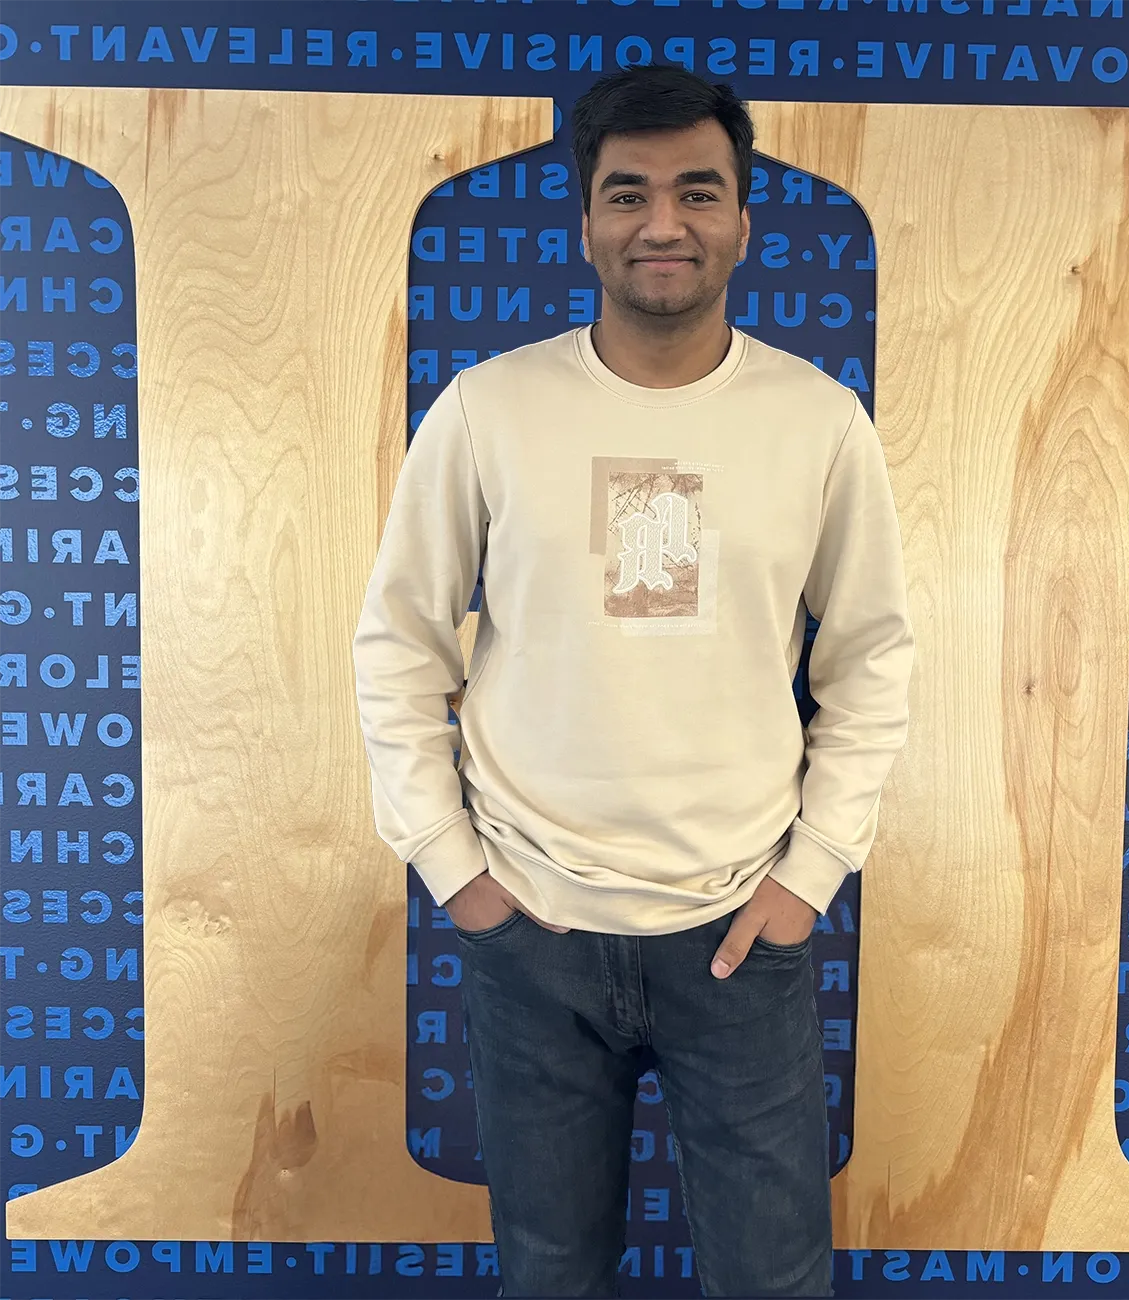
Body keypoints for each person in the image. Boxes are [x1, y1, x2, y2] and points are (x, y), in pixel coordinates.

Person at [352, 63, 914, 1298]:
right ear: (587, 220)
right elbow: (397, 642)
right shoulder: (488, 411)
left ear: (743, 221)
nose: (662, 223)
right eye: (628, 194)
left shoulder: (818, 422)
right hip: (533, 935)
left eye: (697, 192)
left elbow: (872, 657)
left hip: (739, 936)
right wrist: (458, 873)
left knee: (771, 1277)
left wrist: (808, 878)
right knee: (550, 1273)